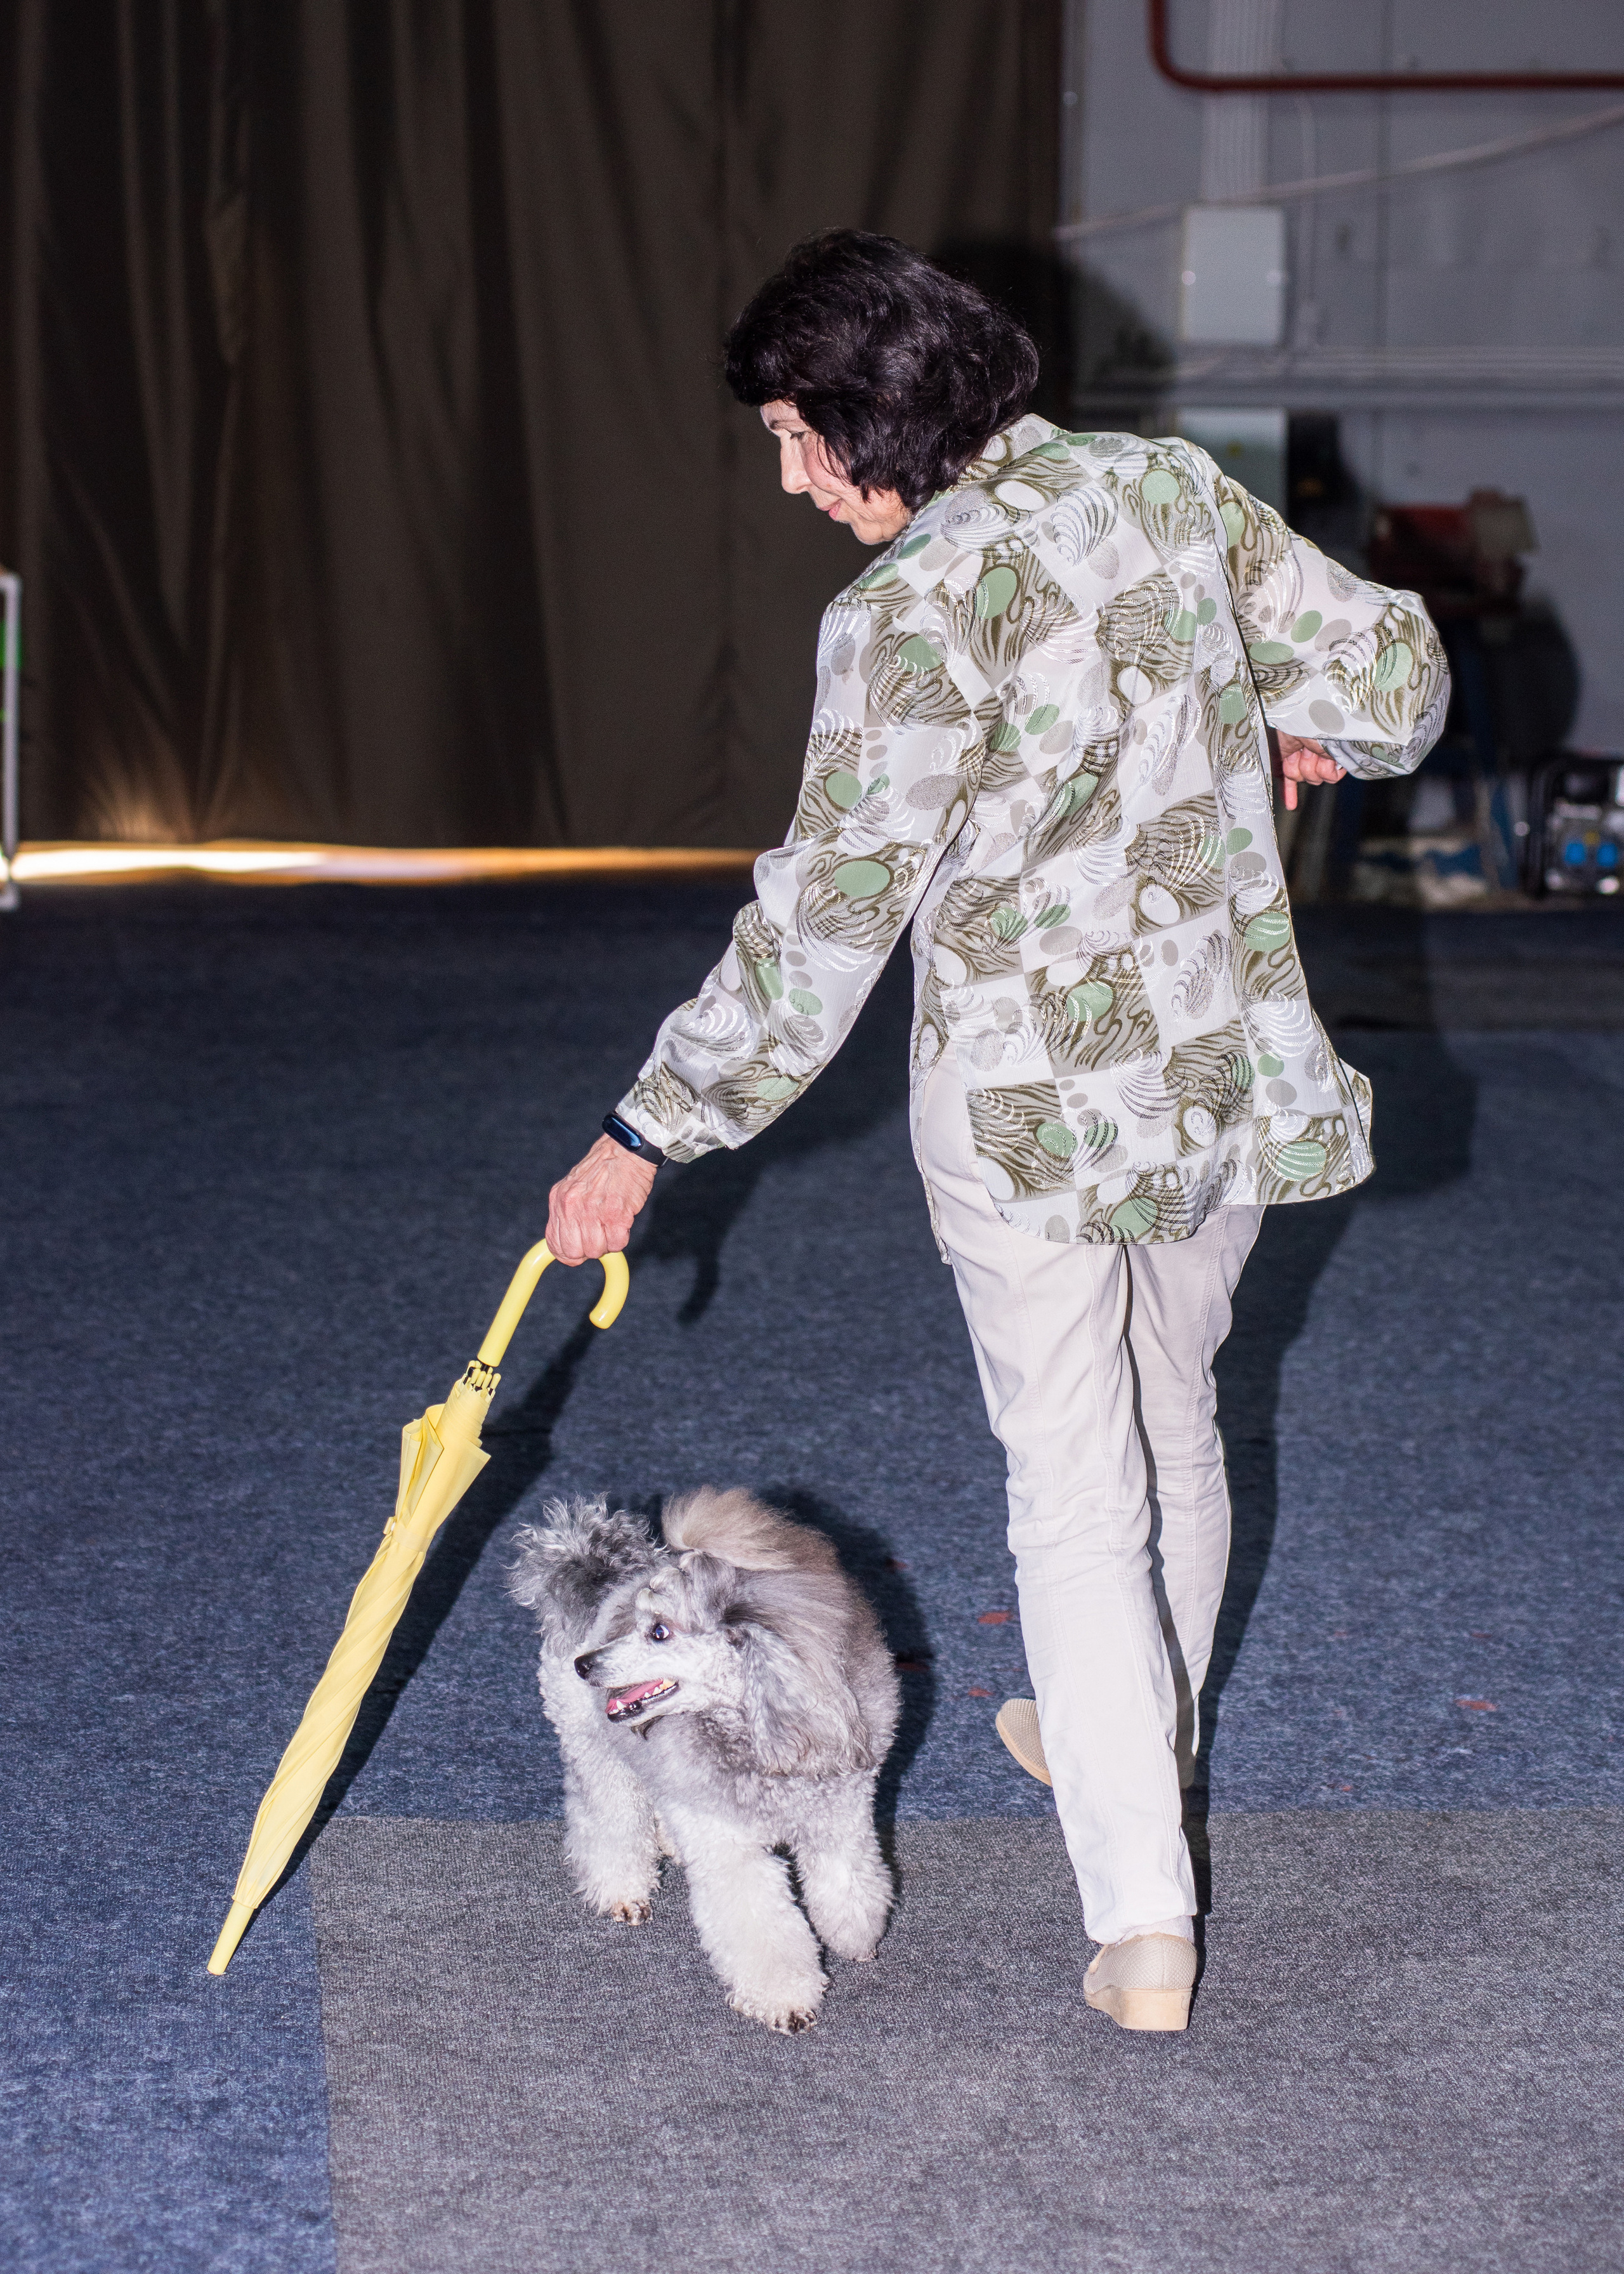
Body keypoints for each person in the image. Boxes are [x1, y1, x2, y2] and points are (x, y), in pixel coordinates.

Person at [544, 232, 1448, 2032]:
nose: (797, 482)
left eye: (802, 443)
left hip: (1031, 1104)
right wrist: (1288, 705)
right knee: (1174, 1419)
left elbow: (821, 929)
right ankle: (1136, 1736)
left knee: (1072, 1484)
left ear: (876, 423)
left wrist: (646, 1129)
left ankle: (1142, 1915)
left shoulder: (903, 612)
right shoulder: (1167, 494)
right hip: (1212, 1070)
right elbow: (1402, 684)